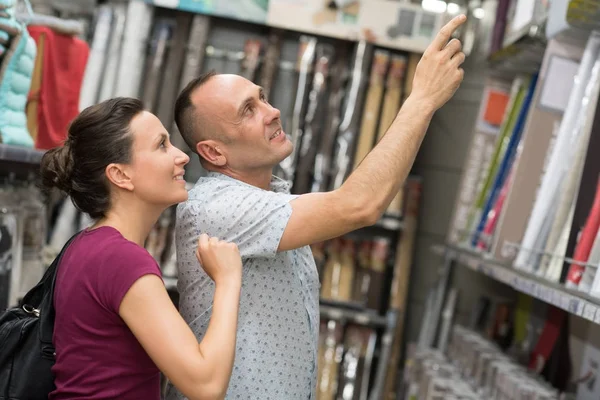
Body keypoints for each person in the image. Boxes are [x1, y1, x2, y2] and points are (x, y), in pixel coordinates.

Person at [169, 14, 468, 400]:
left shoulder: (272, 201)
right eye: (248, 109)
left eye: (262, 97)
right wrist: (422, 100)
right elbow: (360, 205)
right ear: (213, 151)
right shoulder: (216, 208)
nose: (271, 110)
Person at [40, 97, 243, 400]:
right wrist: (228, 280)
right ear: (120, 175)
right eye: (161, 145)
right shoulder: (122, 259)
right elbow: (206, 385)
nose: (181, 156)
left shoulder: (86, 245)